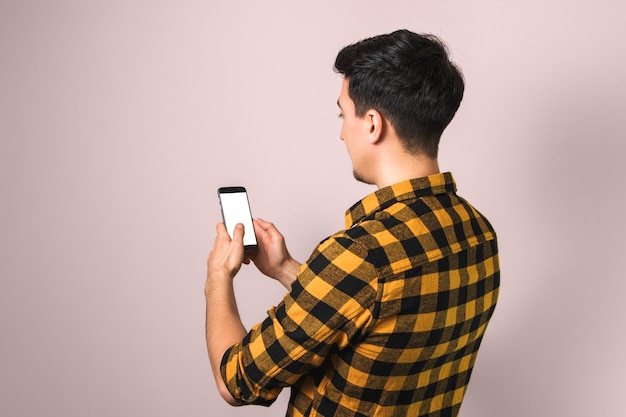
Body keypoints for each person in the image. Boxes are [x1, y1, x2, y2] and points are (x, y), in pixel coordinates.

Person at [205, 29, 500, 417]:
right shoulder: (478, 232)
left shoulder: (359, 256)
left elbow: (237, 381)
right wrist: (286, 269)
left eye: (343, 114)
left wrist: (217, 278)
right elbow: (377, 316)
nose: (342, 131)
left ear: (373, 124)